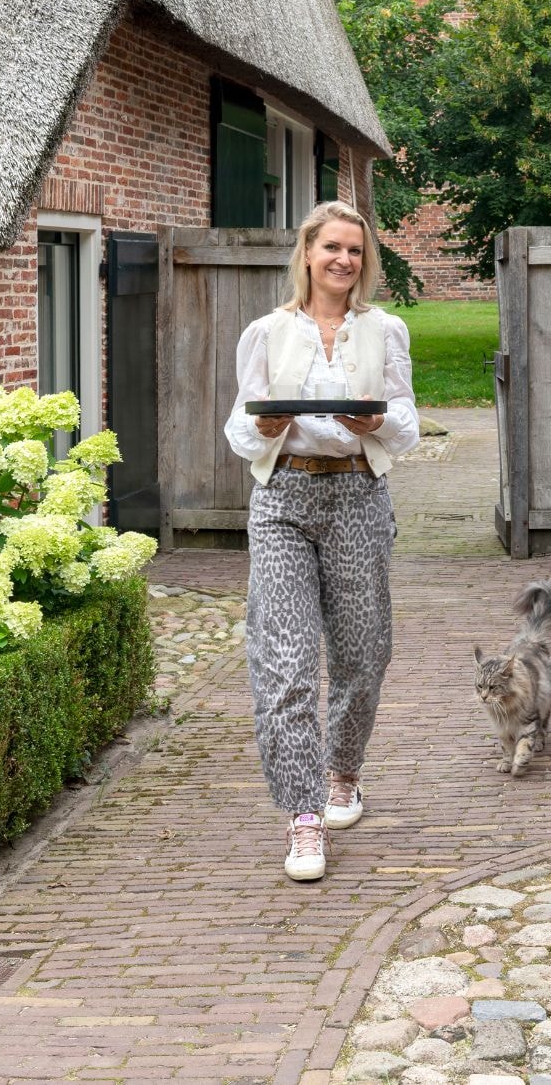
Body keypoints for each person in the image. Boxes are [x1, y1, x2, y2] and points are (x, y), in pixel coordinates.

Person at [224, 201, 419, 881]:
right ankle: (303, 816)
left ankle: (344, 774)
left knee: (364, 658)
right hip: (283, 500)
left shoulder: (386, 331)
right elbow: (240, 429)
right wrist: (268, 431)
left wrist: (369, 426)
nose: (344, 260)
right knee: (286, 661)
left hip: (359, 497)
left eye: (356, 251)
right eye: (332, 247)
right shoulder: (266, 333)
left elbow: (406, 426)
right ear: (307, 252)